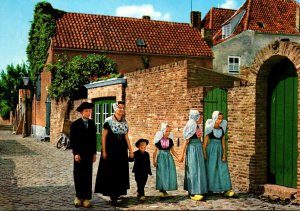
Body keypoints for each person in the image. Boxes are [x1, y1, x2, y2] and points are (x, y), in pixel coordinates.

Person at [94, 101, 134, 204]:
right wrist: (104, 151)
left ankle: (119, 191)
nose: (121, 110)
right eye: (119, 107)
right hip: (111, 150)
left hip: (121, 150)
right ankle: (112, 194)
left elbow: (126, 137)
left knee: (120, 171)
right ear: (115, 108)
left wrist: (131, 150)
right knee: (111, 171)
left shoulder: (125, 121)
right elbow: (103, 137)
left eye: (123, 108)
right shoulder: (108, 121)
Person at [70, 101, 97, 208]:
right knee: (78, 175)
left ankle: (86, 198)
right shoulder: (75, 125)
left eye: (90, 111)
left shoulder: (92, 124)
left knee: (87, 175)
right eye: (86, 111)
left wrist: (94, 153)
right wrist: (75, 153)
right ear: (82, 112)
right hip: (79, 154)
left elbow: (94, 140)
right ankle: (78, 197)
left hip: (89, 154)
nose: (88, 113)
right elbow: (73, 140)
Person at [203, 111, 235, 197]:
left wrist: (224, 153)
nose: (220, 120)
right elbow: (205, 143)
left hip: (220, 149)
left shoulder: (222, 129)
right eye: (218, 118)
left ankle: (226, 189)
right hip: (211, 150)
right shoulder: (209, 129)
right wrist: (204, 153)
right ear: (214, 119)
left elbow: (223, 142)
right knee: (211, 169)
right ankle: (210, 188)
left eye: (221, 119)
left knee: (222, 168)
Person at [179, 109, 207, 201]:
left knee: (200, 169)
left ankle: (200, 189)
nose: (201, 119)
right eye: (200, 117)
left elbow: (200, 140)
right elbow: (186, 141)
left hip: (198, 149)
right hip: (192, 149)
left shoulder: (197, 126)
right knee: (193, 169)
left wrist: (203, 152)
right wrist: (182, 155)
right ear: (196, 117)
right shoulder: (191, 126)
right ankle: (193, 192)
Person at [153, 123, 179, 198]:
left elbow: (173, 151)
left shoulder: (170, 140)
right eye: (166, 131)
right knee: (161, 172)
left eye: (169, 131)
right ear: (163, 131)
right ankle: (161, 190)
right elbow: (155, 151)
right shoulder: (159, 140)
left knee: (168, 172)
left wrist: (178, 157)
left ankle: (165, 189)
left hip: (168, 157)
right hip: (161, 157)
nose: (168, 133)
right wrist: (154, 160)